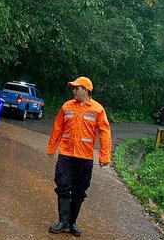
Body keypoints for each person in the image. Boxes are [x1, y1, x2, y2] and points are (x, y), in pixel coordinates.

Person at [46, 76, 112, 237]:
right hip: (66, 155)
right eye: (73, 88)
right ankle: (63, 222)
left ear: (86, 90)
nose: (74, 91)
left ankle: (72, 223)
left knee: (79, 190)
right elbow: (57, 128)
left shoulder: (97, 109)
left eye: (76, 88)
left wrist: (104, 157)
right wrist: (52, 147)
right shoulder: (66, 106)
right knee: (62, 186)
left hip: (85, 157)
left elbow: (105, 133)